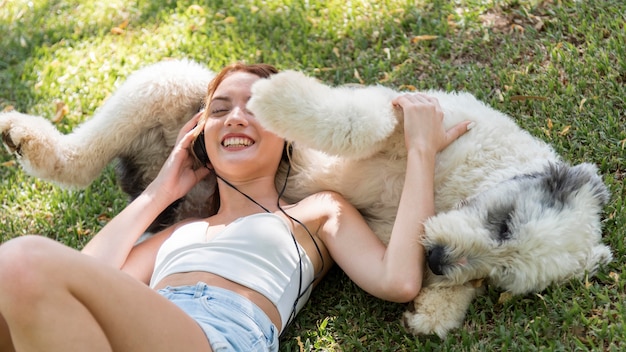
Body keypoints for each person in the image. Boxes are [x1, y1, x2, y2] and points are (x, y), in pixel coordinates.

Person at [0, 62, 471, 352]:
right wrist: (158, 193)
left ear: (288, 129)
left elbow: (399, 281)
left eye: (257, 107)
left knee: (20, 263)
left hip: (216, 338)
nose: (237, 115)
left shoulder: (315, 212)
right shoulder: (177, 234)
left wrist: (419, 153)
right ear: (199, 136)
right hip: (145, 329)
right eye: (220, 109)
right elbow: (83, 279)